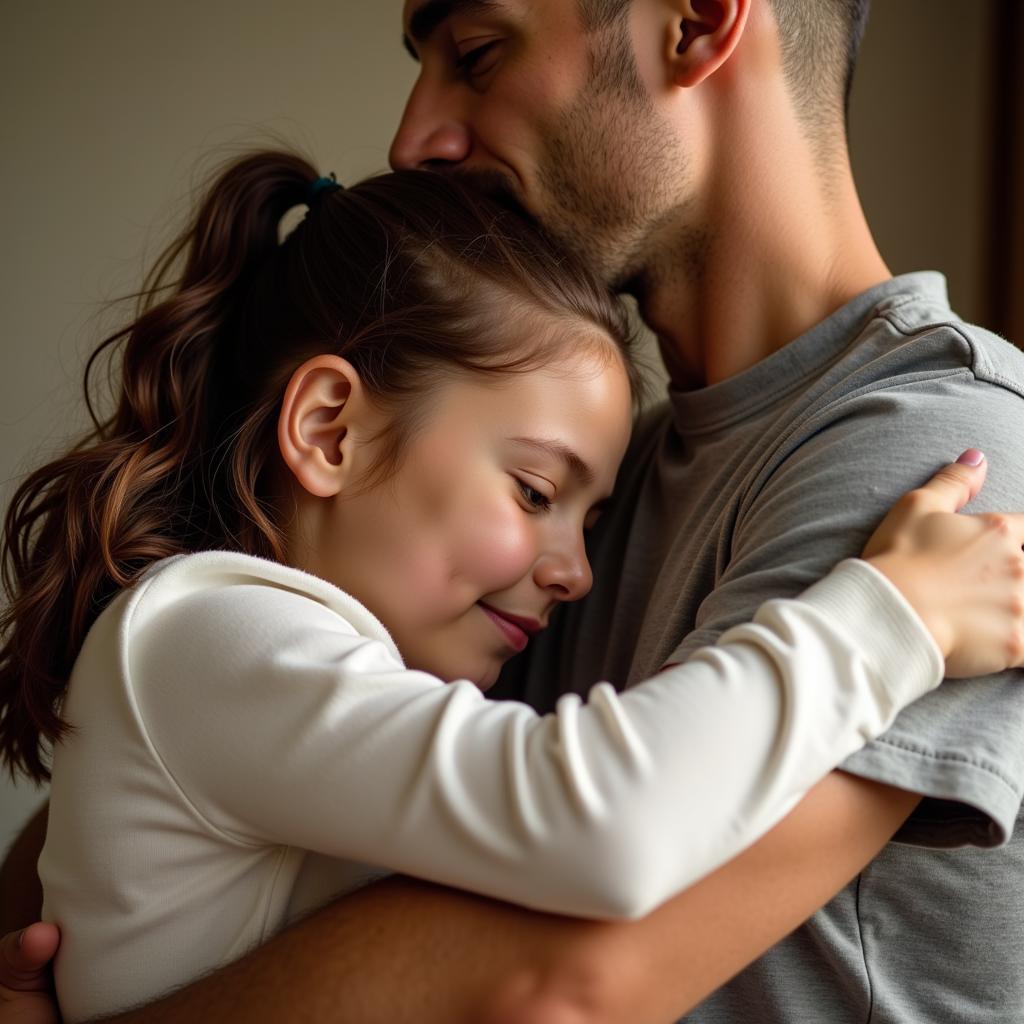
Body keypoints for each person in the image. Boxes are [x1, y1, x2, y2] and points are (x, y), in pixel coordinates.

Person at [4, 0, 1024, 1020]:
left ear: (699, 23)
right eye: (540, 495)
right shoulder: (543, 511)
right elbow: (94, 855)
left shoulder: (944, 456)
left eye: (478, 52)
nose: (414, 140)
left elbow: (551, 986)